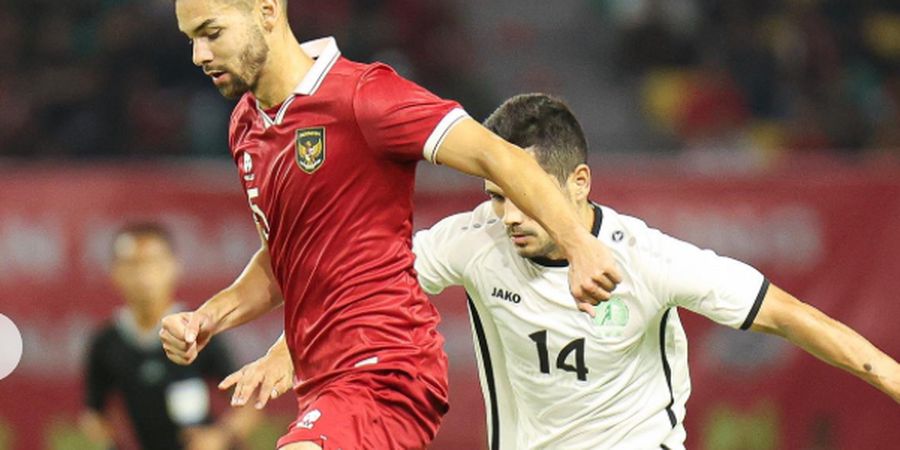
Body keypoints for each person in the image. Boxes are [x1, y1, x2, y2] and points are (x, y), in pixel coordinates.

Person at [222, 94, 900, 449]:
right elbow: (365, 289)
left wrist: (891, 377)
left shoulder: (649, 260)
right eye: (496, 194)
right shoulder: (473, 240)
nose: (509, 215)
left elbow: (792, 316)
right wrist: (286, 350)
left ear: (578, 183)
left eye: (526, 194)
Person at [160, 1, 622, 449]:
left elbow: (496, 155)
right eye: (190, 39)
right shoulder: (246, 126)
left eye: (211, 33)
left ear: (266, 12)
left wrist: (578, 244)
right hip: (323, 384)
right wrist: (208, 318)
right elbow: (283, 256)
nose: (199, 55)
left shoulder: (364, 95)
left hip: (386, 372)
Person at [81, 223, 259, 450]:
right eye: (132, 264)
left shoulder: (198, 331)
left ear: (173, 266)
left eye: (152, 263)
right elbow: (94, 413)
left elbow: (247, 404)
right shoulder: (106, 343)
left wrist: (219, 437)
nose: (143, 275)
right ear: (115, 271)